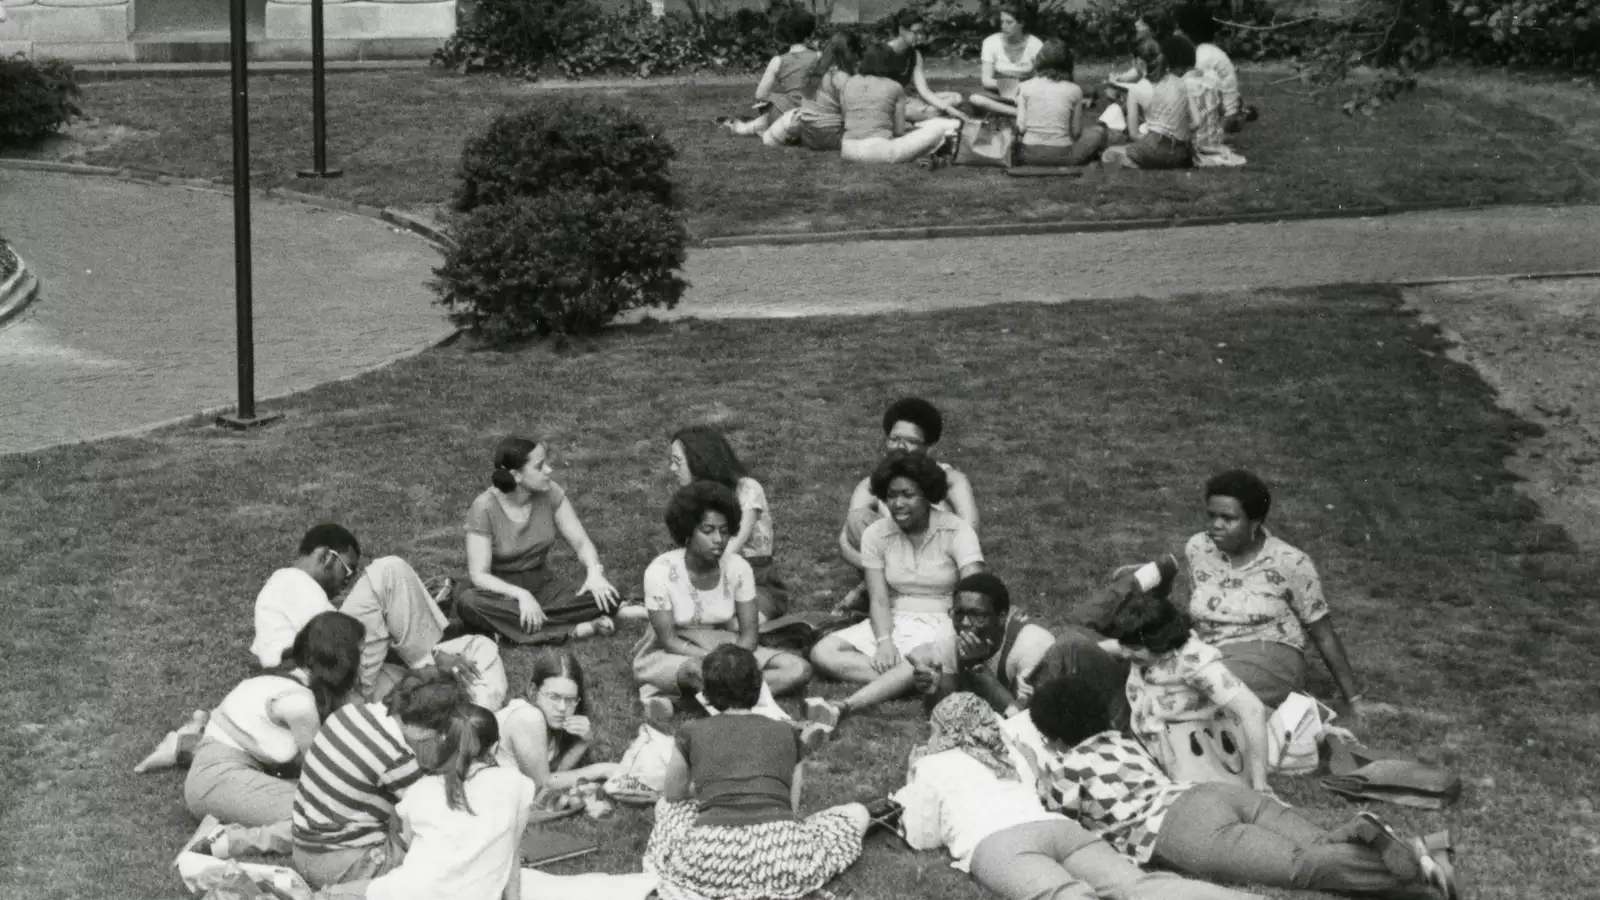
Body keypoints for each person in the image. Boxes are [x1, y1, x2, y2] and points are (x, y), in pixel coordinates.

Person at [1027, 677, 1457, 899]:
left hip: (1178, 827)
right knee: (1319, 844)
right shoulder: (1123, 742)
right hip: (1214, 793)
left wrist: (1035, 765)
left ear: (1054, 734)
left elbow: (1050, 809)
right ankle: (1389, 840)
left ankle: (1420, 863)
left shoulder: (1068, 767)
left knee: (1300, 868)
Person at [896, 693, 1259, 900]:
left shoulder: (931, 764)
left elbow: (923, 836)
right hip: (1059, 829)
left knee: (1064, 896)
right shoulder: (1012, 755)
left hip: (997, 843)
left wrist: (914, 774)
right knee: (1140, 885)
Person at [645, 645, 870, 900]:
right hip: (782, 857)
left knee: (665, 807)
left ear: (705, 692)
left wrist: (707, 789)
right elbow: (791, 808)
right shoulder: (787, 732)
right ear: (758, 687)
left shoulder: (690, 731)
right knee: (858, 813)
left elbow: (673, 796)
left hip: (708, 861)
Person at [806, 451, 985, 728]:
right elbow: (878, 598)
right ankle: (917, 678)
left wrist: (959, 634)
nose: (897, 504)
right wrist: (884, 641)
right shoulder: (876, 534)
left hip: (944, 621)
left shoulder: (958, 531)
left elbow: (976, 592)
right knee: (822, 652)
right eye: (891, 496)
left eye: (907, 495)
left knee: (928, 654)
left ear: (927, 494)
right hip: (895, 617)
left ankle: (846, 705)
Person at [251, 523, 506, 710]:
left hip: (345, 688)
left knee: (478, 647)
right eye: (348, 571)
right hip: (338, 686)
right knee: (388, 571)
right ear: (326, 557)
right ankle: (430, 660)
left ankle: (477, 709)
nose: (347, 583)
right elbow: (338, 645)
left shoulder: (287, 590)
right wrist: (432, 658)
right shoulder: (292, 581)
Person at [179, 612, 365, 858]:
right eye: (359, 654)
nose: (362, 664)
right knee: (332, 813)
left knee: (337, 806)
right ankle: (229, 841)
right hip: (218, 779)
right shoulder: (301, 704)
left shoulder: (281, 679)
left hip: (218, 774)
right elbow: (322, 773)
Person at [1186, 469, 1366, 712]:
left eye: (1228, 518)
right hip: (1213, 654)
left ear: (1255, 522)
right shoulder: (1198, 548)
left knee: (1206, 691)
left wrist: (1354, 701)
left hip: (1270, 656)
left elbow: (1323, 634)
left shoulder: (1290, 562)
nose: (1216, 525)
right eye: (1212, 516)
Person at [632, 481, 811, 721]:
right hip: (673, 651)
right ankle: (744, 710)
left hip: (728, 646)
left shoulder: (738, 568)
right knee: (696, 672)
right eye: (708, 530)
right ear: (688, 531)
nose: (718, 539)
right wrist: (714, 662)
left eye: (724, 531)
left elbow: (749, 636)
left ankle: (682, 703)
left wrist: (732, 662)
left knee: (798, 669)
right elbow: (668, 639)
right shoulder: (660, 571)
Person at [1091, 556, 1272, 793]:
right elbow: (1118, 647)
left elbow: (1252, 710)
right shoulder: (1143, 649)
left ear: (1160, 643)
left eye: (1133, 649)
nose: (1125, 653)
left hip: (1194, 752)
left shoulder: (1195, 663)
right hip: (1150, 743)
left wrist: (1261, 784)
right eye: (1125, 645)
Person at [320, 704, 536, 900]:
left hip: (411, 892)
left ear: (442, 742)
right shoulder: (519, 785)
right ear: (494, 747)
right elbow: (512, 856)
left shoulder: (420, 791)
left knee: (332, 894)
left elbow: (410, 852)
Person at [290, 669, 469, 888]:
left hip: (302, 843)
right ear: (425, 732)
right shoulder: (398, 759)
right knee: (431, 855)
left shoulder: (350, 712)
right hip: (342, 864)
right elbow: (430, 812)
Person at [456, 436, 621, 645]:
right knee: (468, 603)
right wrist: (521, 595)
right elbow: (479, 575)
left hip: (544, 586)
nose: (549, 471)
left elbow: (581, 543)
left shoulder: (550, 492)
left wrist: (594, 572)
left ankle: (511, 630)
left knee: (609, 597)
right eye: (540, 466)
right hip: (501, 595)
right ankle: (574, 630)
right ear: (516, 475)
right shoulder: (484, 508)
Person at [910, 572, 1107, 717]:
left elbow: (1025, 720)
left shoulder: (1032, 644)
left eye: (977, 615)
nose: (965, 623)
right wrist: (932, 689)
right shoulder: (950, 638)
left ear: (1002, 617)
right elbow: (943, 712)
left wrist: (977, 668)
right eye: (959, 613)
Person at [839, 397, 979, 575]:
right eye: (895, 439)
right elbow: (846, 540)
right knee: (858, 518)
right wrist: (881, 568)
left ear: (929, 447)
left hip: (940, 560)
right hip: (892, 563)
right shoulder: (871, 484)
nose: (900, 447)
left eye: (911, 442)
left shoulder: (951, 480)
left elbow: (970, 531)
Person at [666, 425, 788, 620]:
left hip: (753, 578)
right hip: (705, 576)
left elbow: (732, 545)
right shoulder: (691, 499)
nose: (672, 469)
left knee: (739, 623)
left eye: (677, 462)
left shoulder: (747, 489)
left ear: (699, 461)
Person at [495, 650, 620, 792]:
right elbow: (543, 785)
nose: (562, 708)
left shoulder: (548, 719)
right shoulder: (528, 717)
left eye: (570, 699)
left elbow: (555, 774)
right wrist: (602, 769)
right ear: (533, 690)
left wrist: (583, 742)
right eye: (554, 697)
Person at [840, 45, 963, 165]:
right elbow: (899, 131)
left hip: (847, 149)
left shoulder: (848, 83)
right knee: (939, 129)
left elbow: (846, 118)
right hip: (879, 151)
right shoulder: (894, 86)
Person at [719, 8, 820, 145]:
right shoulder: (820, 57)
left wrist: (775, 98)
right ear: (810, 32)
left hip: (785, 115)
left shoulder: (778, 60)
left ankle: (748, 128)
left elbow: (760, 94)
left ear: (784, 33)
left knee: (772, 105)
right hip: (815, 114)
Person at [1102, 36, 1194, 170]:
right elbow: (1195, 122)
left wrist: (1146, 142)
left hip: (1157, 147)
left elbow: (1133, 135)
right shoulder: (1179, 82)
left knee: (1109, 154)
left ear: (1138, 62)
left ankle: (1140, 162)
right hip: (1182, 152)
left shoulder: (1136, 89)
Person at [1175, 3, 1256, 133]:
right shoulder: (1208, 50)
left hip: (1221, 122)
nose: (1177, 32)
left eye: (1179, 29)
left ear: (1188, 30)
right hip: (1225, 113)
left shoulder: (1202, 56)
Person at [880, 8, 968, 123]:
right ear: (902, 30)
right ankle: (926, 113)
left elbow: (924, 90)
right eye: (916, 32)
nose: (920, 37)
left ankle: (927, 113)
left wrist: (949, 108)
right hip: (889, 103)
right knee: (908, 112)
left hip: (910, 100)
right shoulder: (881, 52)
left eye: (922, 32)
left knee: (956, 98)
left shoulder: (915, 55)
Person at [1012, 40, 1089, 167]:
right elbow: (1076, 133)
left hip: (1028, 155)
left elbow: (1021, 128)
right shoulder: (1075, 90)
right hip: (1063, 155)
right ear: (1068, 63)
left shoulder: (1024, 87)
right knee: (1097, 132)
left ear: (1039, 61)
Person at [788, 31, 864, 152]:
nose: (857, 58)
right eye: (856, 53)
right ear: (849, 51)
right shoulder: (841, 77)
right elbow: (849, 112)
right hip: (829, 135)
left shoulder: (816, 70)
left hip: (807, 134)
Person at [968, 2, 1044, 117]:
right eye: (1002, 22)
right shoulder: (990, 42)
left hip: (1026, 94)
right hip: (998, 94)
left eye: (1009, 22)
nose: (1003, 26)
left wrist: (1022, 92)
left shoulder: (1036, 44)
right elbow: (986, 81)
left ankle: (1008, 111)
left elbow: (1041, 80)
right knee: (975, 99)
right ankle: (1018, 113)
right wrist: (1013, 87)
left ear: (1021, 23)